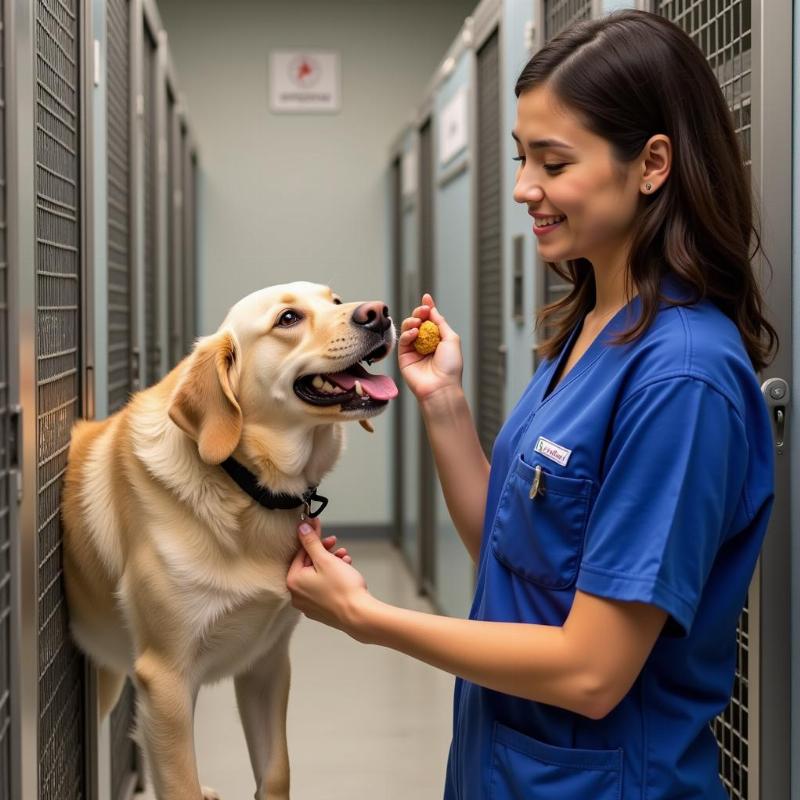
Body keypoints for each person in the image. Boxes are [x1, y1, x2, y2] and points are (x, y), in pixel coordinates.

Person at [286, 10, 777, 799]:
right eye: (522, 159)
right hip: (510, 767)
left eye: (553, 162)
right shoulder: (590, 328)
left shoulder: (681, 379)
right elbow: (516, 556)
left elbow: (591, 671)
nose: (523, 189)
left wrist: (367, 618)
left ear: (652, 163)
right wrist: (443, 400)